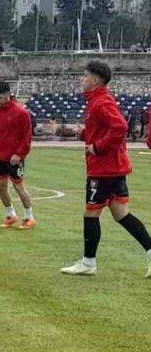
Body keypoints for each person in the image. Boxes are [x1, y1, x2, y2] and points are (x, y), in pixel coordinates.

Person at [60, 60, 151, 277]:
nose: (82, 80)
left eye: (84, 76)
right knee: (121, 214)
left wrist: (98, 148)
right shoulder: (97, 102)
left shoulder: (101, 102)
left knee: (90, 213)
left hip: (104, 169)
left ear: (95, 79)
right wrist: (83, 134)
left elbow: (120, 126)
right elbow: (105, 128)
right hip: (112, 167)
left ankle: (88, 263)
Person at [0, 81, 35, 229]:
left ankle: (29, 216)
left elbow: (26, 137)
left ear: (8, 95)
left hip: (14, 158)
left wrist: (19, 154)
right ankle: (10, 215)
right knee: (1, 186)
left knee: (19, 187)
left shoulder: (21, 113)